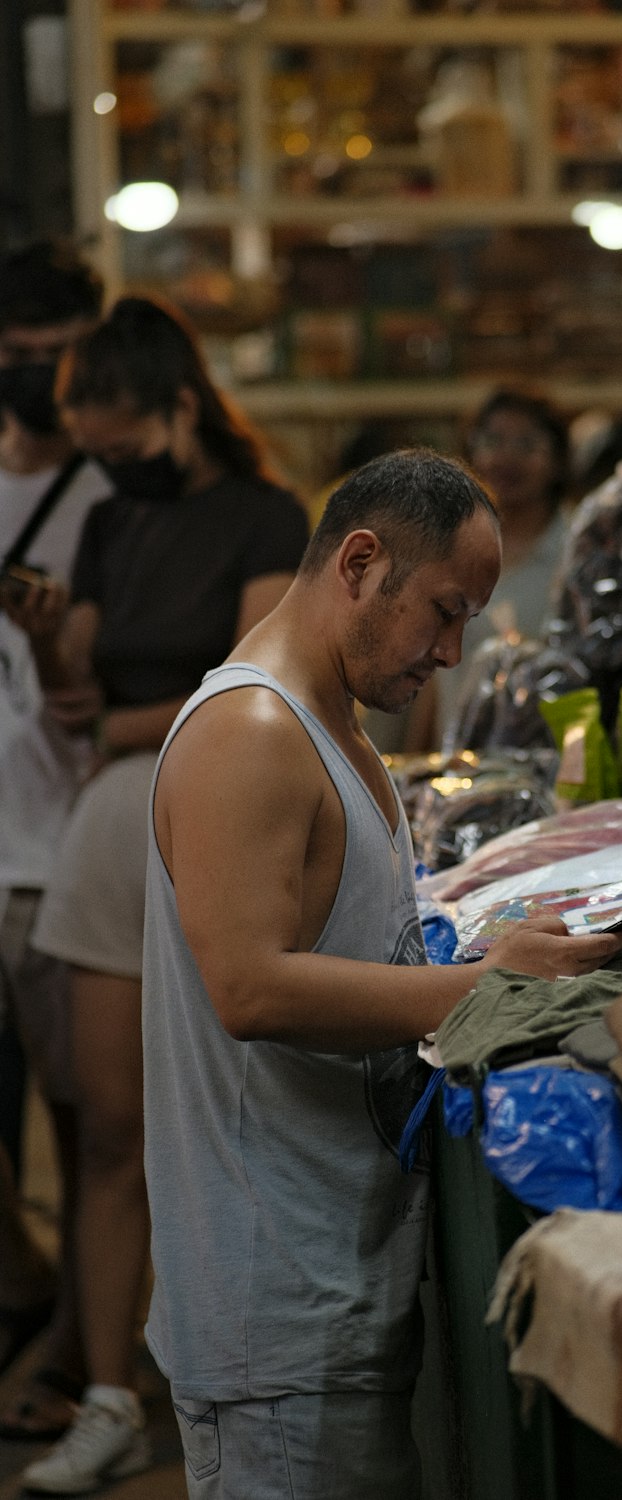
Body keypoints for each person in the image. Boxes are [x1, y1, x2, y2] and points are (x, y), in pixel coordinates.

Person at [139, 448, 622, 1500]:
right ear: (360, 562)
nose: (451, 652)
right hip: (274, 1313)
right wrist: (494, 983)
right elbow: (250, 989)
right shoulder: (252, 733)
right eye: (443, 613)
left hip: (329, 1288)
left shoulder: (331, 726)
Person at [4, 296, 309, 1495]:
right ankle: (112, 1392)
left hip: (207, 803)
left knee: (236, 1111)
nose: (112, 469)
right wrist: (39, 648)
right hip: (105, 817)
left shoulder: (263, 515)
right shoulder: (108, 524)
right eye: (95, 449)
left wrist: (119, 717)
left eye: (126, 443)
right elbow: (73, 700)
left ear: (183, 408)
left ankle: (241, 1368)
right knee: (106, 1125)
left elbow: (243, 683)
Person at [0, 240, 108, 1442]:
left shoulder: (113, 495)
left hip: (62, 852)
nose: (33, 378)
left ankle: (79, 1348)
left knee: (88, 1124)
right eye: (14, 359)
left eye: (52, 357)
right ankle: (27, 1301)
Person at [434, 387, 572, 748]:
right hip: (455, 768)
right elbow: (434, 681)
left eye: (526, 445)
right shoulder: (444, 548)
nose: (506, 458)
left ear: (557, 461)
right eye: (493, 441)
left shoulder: (575, 554)